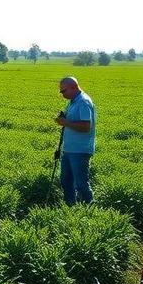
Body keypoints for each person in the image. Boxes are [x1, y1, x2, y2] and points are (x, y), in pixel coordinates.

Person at [56, 76, 96, 205]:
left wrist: (65, 122)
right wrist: (64, 119)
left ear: (73, 87)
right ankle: (70, 207)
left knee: (81, 183)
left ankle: (89, 209)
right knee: (66, 180)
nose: (62, 94)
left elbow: (86, 126)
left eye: (63, 91)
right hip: (69, 149)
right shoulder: (73, 101)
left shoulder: (83, 102)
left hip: (80, 150)